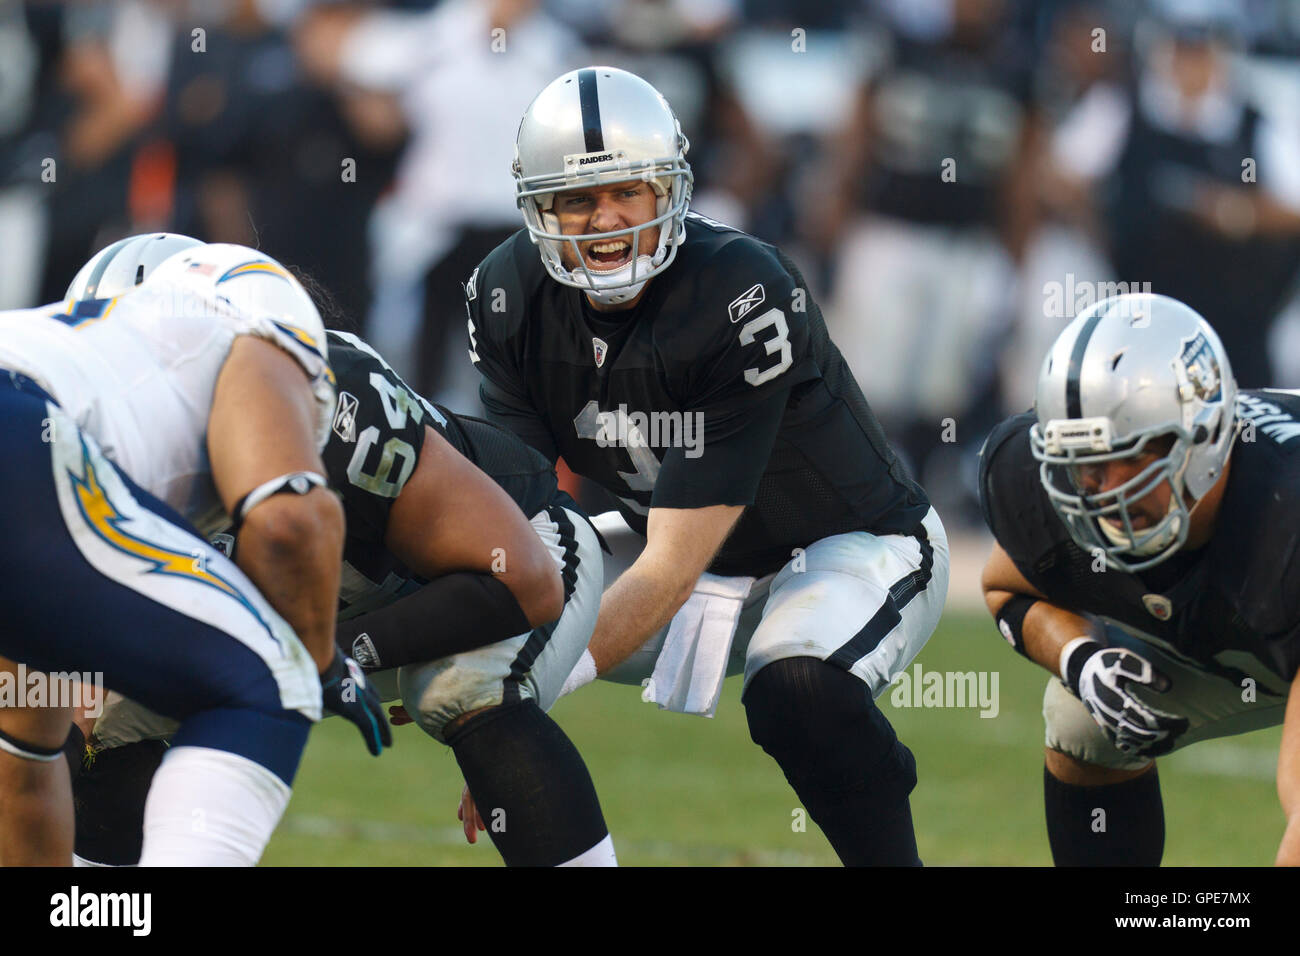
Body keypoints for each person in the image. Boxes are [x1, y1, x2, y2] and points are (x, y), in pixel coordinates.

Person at [465, 66, 948, 865]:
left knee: (799, 687)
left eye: (629, 191)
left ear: (671, 190)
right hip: (672, 540)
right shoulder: (506, 296)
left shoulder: (740, 290)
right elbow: (524, 520)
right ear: (538, 209)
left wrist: (527, 698)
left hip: (845, 544)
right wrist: (487, 721)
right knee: (471, 613)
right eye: (577, 200)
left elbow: (669, 570)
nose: (605, 219)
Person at [70, 311, 616, 867]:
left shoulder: (331, 402)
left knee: (457, 688)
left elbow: (522, 580)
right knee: (101, 709)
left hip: (512, 556)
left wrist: (330, 657)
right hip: (328, 607)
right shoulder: (78, 447)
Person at [0, 234, 388, 866]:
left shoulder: (85, 371)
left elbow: (27, 765)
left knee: (26, 746)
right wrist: (318, 660)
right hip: (19, 442)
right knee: (270, 678)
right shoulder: (250, 300)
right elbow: (289, 519)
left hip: (27, 455)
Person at [979, 291, 1300, 866]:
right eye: (1076, 464)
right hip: (1250, 621)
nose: (1094, 491)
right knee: (1085, 715)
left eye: (1117, 456)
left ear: (1199, 441)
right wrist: (1080, 659)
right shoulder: (1040, 486)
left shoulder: (1281, 524)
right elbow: (1004, 588)